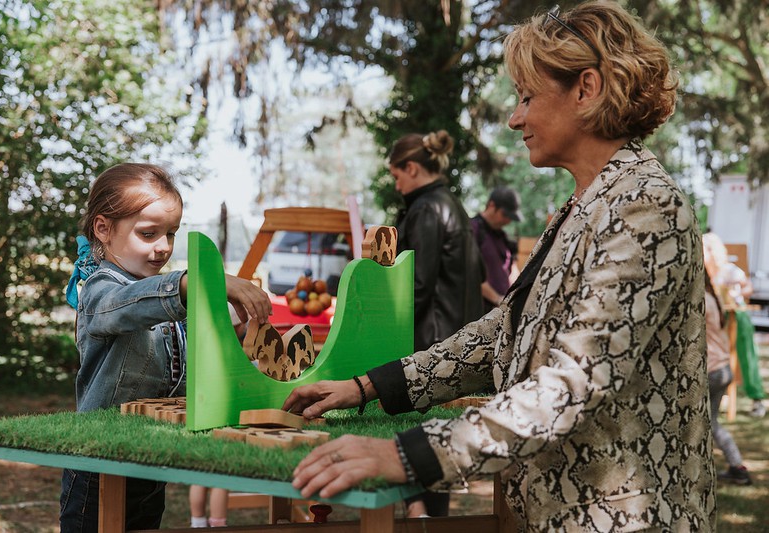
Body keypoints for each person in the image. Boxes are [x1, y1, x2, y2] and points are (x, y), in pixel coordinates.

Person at [282, 2, 716, 530]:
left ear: (587, 89)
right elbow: (501, 332)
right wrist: (368, 386)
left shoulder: (645, 206)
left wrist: (406, 456)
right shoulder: (586, 205)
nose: (515, 118)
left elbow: (571, 385)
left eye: (527, 97)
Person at [60, 163, 272, 532]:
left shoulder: (168, 296)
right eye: (148, 233)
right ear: (103, 229)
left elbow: (203, 347)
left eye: (171, 234)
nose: (163, 248)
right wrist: (201, 281)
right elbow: (128, 306)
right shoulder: (100, 289)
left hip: (150, 459)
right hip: (98, 464)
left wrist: (239, 326)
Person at [388, 129, 485, 517]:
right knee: (436, 449)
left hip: (428, 341)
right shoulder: (453, 205)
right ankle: (429, 517)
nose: (396, 186)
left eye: (397, 176)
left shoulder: (427, 209)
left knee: (417, 443)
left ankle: (420, 516)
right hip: (456, 339)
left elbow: (417, 283)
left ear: (411, 168)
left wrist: (385, 325)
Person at [703, 231, 766, 418]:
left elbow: (748, 287)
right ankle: (719, 397)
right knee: (719, 358)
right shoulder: (707, 273)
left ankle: (757, 399)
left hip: (738, 316)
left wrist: (735, 293)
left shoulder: (729, 270)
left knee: (746, 359)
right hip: (721, 319)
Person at [704, 270, 752, 485]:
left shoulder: (701, 301)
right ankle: (737, 466)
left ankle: (736, 467)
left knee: (706, 424)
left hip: (711, 370)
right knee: (711, 423)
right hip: (722, 368)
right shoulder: (713, 299)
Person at [471, 186, 522, 312]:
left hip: (501, 311)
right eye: (505, 215)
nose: (508, 220)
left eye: (511, 217)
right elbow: (470, 274)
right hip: (480, 311)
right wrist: (497, 299)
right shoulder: (472, 229)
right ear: (492, 206)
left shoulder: (502, 236)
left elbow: (512, 268)